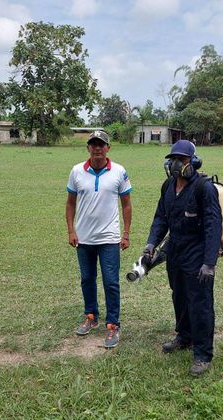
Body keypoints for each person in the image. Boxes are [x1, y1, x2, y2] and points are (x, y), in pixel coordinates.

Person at [144, 140, 222, 376]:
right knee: (179, 296)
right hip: (175, 252)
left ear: (193, 162)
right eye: (174, 159)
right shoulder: (168, 186)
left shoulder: (204, 189)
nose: (177, 164)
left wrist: (209, 263)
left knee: (200, 303)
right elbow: (161, 218)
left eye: (183, 159)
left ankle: (202, 354)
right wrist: (151, 243)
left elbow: (213, 227)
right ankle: (184, 336)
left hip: (197, 254)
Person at [66, 130, 132, 348]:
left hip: (109, 238)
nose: (97, 148)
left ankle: (113, 324)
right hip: (84, 238)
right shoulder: (77, 171)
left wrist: (125, 234)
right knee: (87, 279)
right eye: (93, 144)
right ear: (88, 148)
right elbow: (70, 203)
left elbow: (126, 205)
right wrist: (71, 231)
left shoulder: (119, 171)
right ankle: (91, 316)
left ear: (108, 148)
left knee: (111, 282)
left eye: (101, 144)